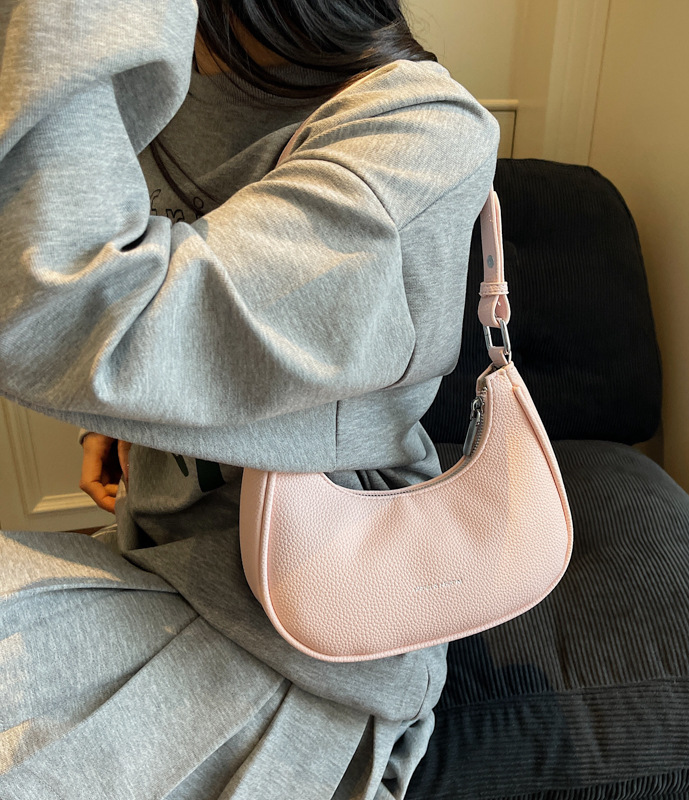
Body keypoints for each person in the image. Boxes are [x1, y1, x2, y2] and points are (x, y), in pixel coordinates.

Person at [0, 0, 499, 797]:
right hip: (158, 552)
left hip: (318, 620)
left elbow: (58, 302)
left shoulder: (418, 130)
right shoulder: (154, 85)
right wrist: (131, 417)